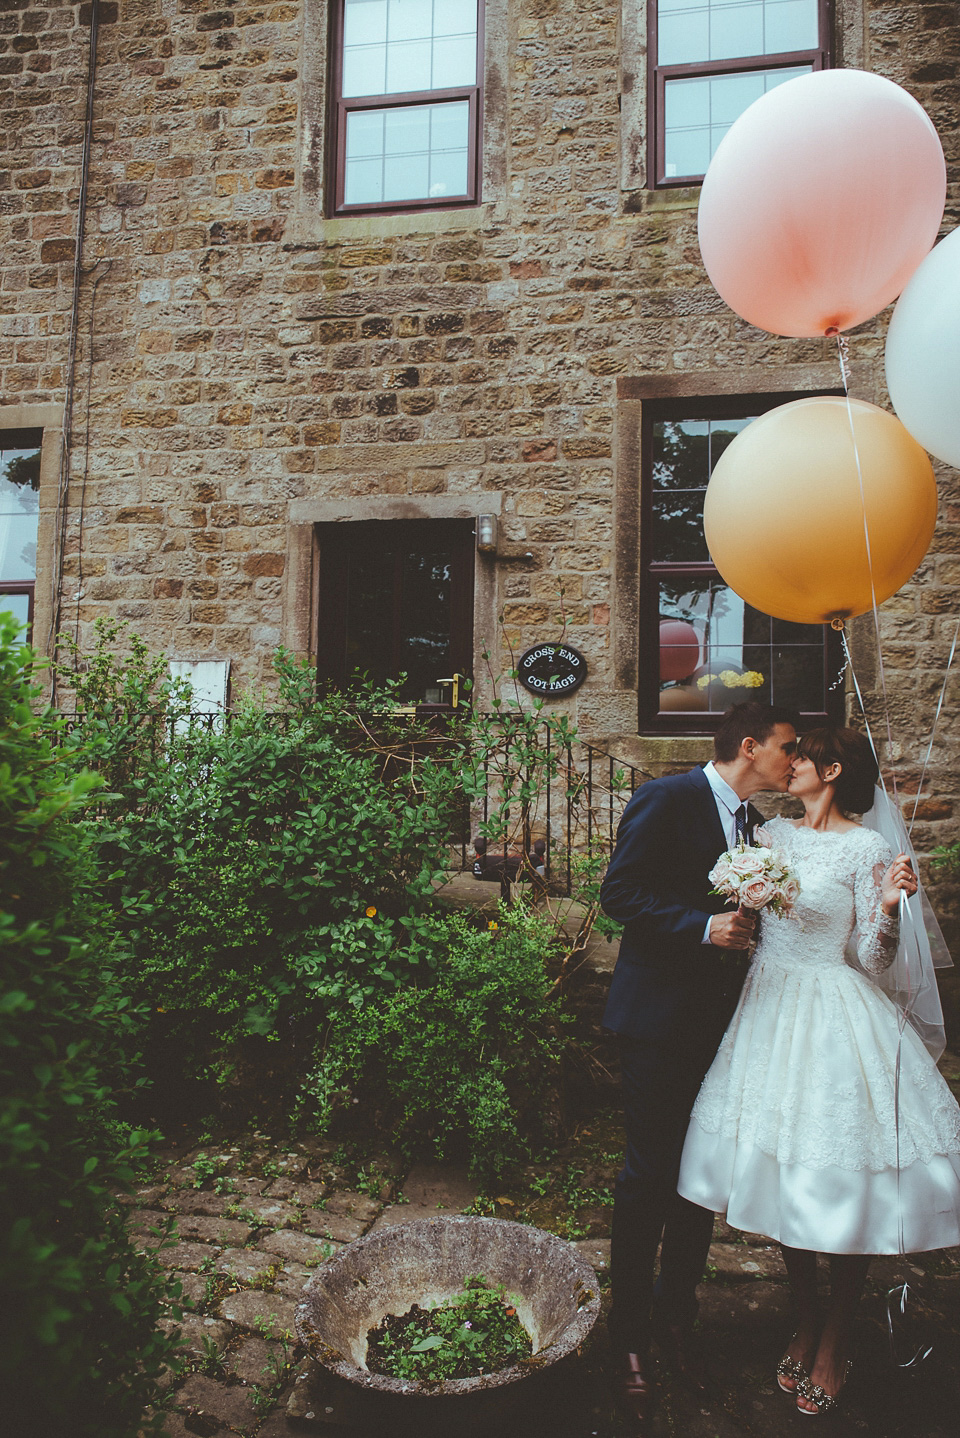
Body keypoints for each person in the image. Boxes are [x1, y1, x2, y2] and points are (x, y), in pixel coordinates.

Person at [678, 726, 960, 1416]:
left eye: (801, 756)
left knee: (843, 1177)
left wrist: (890, 910)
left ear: (832, 769)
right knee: (785, 1177)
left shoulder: (868, 848)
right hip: (767, 1012)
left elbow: (870, 959)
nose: (789, 763)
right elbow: (748, 921)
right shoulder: (770, 837)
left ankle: (834, 1339)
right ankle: (805, 1323)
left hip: (835, 1012)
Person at [599, 702, 799, 1425]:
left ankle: (676, 1319)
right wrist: (702, 926)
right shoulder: (667, 796)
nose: (792, 758)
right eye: (785, 747)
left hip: (722, 1027)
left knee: (698, 1182)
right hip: (658, 1023)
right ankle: (627, 1340)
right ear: (750, 745)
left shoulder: (751, 824)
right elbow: (618, 893)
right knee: (648, 1176)